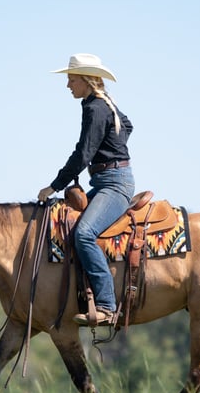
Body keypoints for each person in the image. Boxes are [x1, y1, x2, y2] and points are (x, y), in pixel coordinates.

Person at [37, 53, 135, 326]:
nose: (68, 85)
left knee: (84, 234)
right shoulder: (105, 103)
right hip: (109, 179)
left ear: (85, 81)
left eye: (71, 79)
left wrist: (54, 186)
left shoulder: (95, 107)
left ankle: (106, 305)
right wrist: (114, 149)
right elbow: (128, 126)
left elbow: (83, 154)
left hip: (114, 185)